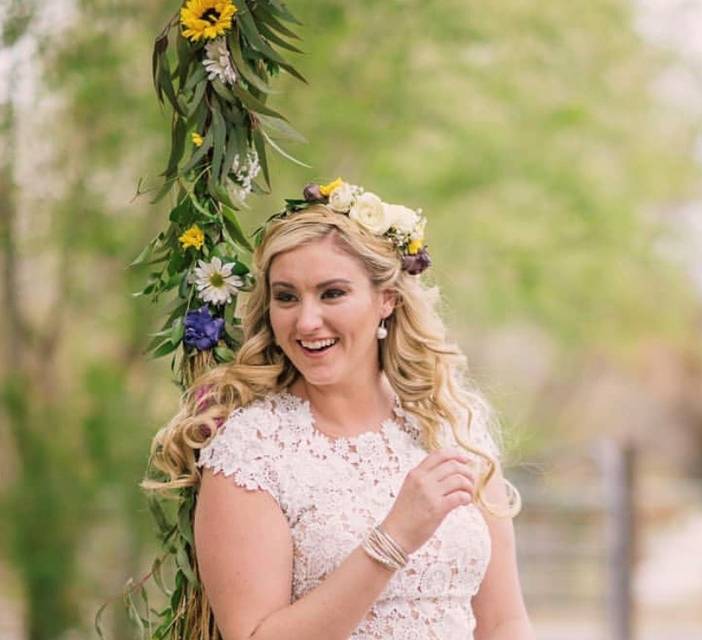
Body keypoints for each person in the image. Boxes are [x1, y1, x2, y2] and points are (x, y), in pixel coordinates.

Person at [144, 180, 535, 640]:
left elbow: (505, 622)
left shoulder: (451, 423)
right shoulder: (251, 451)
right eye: (287, 297)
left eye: (331, 294)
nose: (307, 321)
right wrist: (394, 537)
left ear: (385, 299)